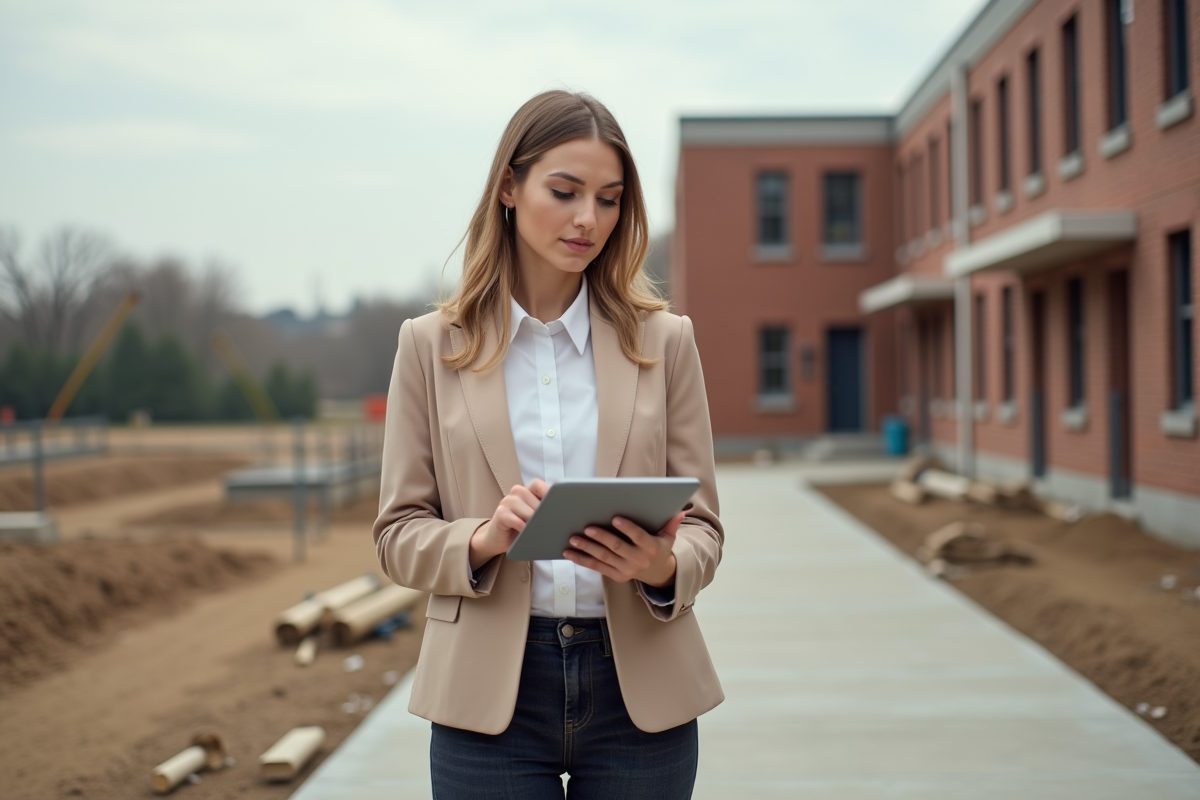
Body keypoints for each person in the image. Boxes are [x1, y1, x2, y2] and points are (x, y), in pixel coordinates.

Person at [373, 89, 724, 800]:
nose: (588, 219)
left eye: (610, 199)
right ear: (509, 185)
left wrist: (661, 566)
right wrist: (483, 539)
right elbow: (397, 535)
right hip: (488, 696)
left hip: (641, 694)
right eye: (565, 191)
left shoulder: (667, 342)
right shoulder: (429, 346)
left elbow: (707, 529)